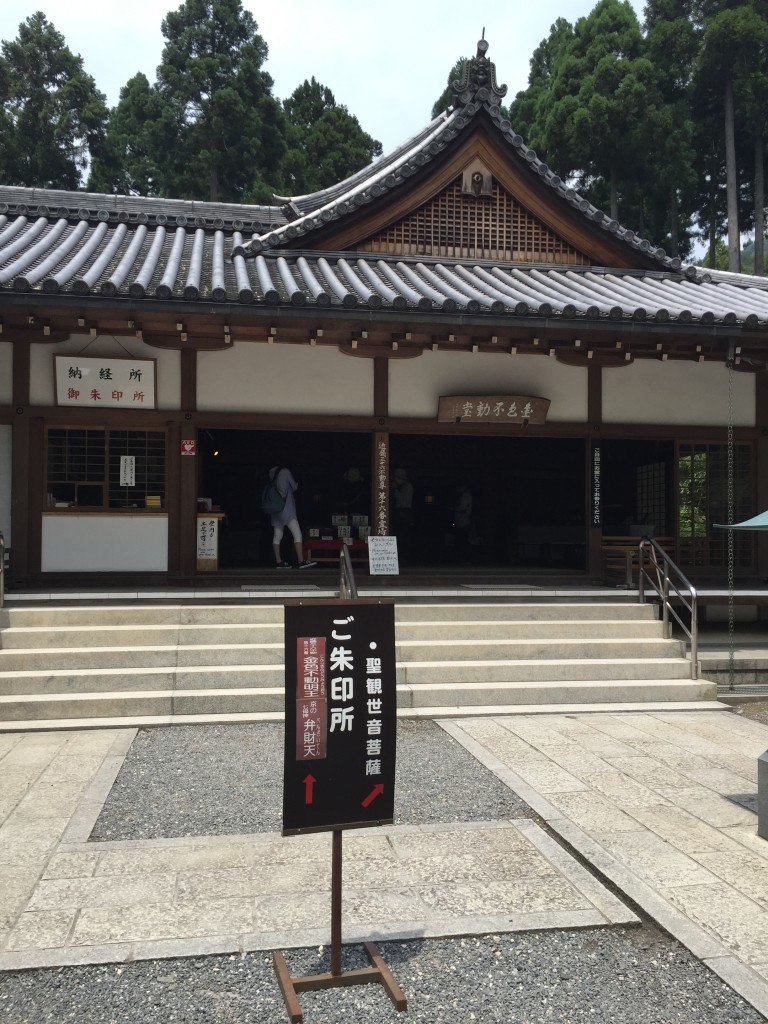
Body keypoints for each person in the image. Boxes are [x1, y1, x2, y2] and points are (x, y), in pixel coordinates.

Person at [267, 466, 316, 568]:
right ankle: (301, 561)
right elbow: (294, 486)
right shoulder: (285, 471)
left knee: (277, 536)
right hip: (287, 509)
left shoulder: (271, 473)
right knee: (297, 534)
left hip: (275, 510)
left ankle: (279, 561)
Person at [391, 468, 414, 562]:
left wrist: (395, 489)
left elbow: (402, 501)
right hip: (399, 514)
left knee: (402, 536)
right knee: (398, 535)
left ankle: (403, 558)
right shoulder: (402, 486)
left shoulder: (407, 486)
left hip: (403, 513)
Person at [452, 485, 473, 563]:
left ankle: (465, 558)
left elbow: (463, 509)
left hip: (464, 521)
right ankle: (462, 558)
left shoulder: (466, 495)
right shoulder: (461, 495)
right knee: (461, 540)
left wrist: (458, 510)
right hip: (460, 521)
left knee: (462, 540)